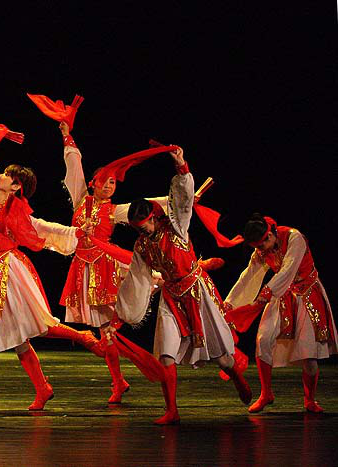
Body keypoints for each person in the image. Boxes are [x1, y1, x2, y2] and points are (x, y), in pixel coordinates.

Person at [0, 137, 109, 412]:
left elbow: (45, 228)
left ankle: (83, 337)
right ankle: (43, 388)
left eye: (7, 175)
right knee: (20, 338)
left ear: (16, 186)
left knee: (37, 324)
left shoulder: (17, 211)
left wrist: (78, 232)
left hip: (7, 271)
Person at [114, 146, 251, 425]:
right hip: (171, 296)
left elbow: (184, 201)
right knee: (165, 355)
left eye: (144, 225)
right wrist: (125, 309)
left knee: (222, 358)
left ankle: (237, 377)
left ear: (153, 217)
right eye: (137, 228)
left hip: (197, 292)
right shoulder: (141, 246)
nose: (142, 231)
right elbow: (138, 278)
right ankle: (172, 410)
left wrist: (182, 167)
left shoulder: (176, 228)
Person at [58, 122, 170, 404]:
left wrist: (180, 199)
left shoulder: (113, 211)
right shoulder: (80, 200)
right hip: (82, 268)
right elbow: (74, 169)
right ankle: (118, 381)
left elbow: (149, 204)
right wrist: (67, 138)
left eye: (113, 183)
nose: (108, 186)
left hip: (104, 269)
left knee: (107, 329)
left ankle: (119, 381)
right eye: (104, 182)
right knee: (104, 331)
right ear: (93, 183)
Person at [225, 214, 337, 413]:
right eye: (257, 248)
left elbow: (288, 269)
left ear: (270, 235)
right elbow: (248, 275)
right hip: (282, 293)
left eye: (261, 246)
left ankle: (310, 399)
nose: (260, 251)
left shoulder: (294, 238)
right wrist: (230, 302)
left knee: (309, 355)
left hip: (306, 293)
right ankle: (266, 393)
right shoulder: (262, 250)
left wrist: (267, 292)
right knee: (263, 339)